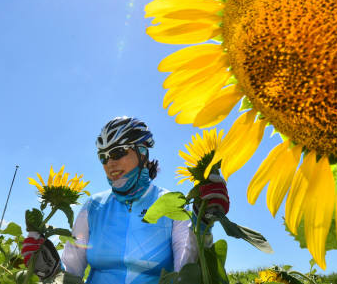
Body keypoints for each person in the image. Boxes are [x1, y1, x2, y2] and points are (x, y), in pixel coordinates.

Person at [21, 116, 230, 284]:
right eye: (103, 157)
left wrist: (202, 222)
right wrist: (49, 270)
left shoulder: (171, 204)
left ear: (142, 153)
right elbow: (71, 272)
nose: (109, 163)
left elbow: (187, 270)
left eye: (118, 153)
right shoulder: (94, 207)